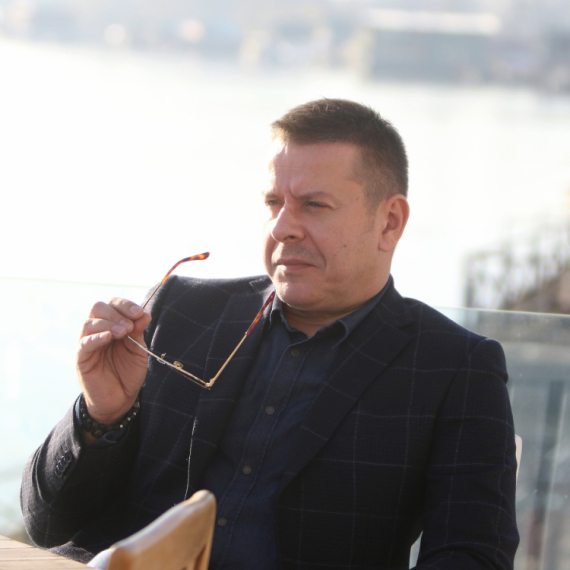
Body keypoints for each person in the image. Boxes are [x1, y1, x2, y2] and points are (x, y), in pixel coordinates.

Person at [21, 99, 519, 569]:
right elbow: (46, 524)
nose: (283, 227)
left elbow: (475, 555)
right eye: (273, 202)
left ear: (389, 222)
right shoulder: (180, 311)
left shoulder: (454, 367)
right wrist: (102, 415)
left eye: (314, 205)